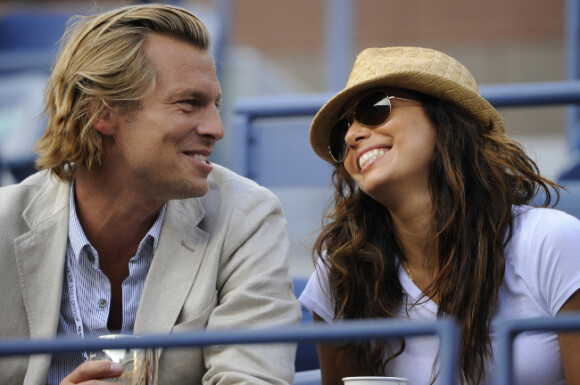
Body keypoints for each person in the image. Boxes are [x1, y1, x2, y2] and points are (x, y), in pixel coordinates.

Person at [0, 4, 301, 384]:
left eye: (215, 106)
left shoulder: (245, 217)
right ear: (101, 112)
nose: (216, 128)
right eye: (189, 103)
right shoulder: (4, 224)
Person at [299, 46, 580, 385]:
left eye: (375, 109)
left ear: (444, 119)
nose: (351, 135)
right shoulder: (342, 271)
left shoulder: (552, 241)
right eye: (339, 136)